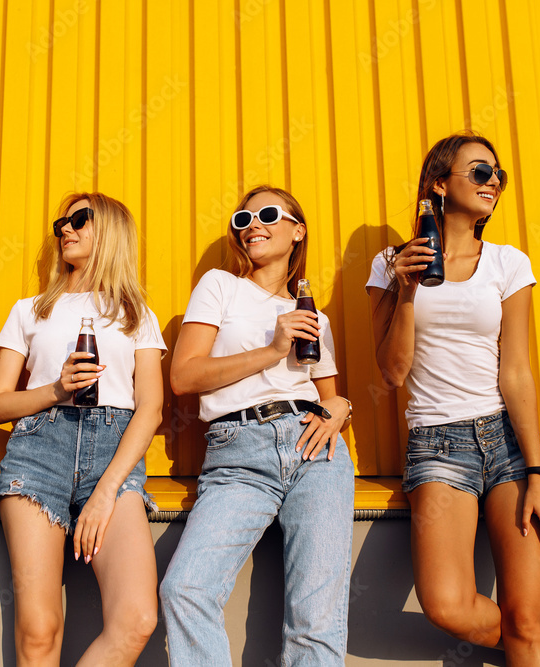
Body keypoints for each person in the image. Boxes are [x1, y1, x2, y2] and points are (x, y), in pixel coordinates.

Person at [366, 131, 540, 665]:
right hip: (437, 445)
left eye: (498, 176)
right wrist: (407, 289)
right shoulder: (389, 264)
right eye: (480, 172)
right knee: (448, 606)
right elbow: (392, 372)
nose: (493, 184)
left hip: (505, 438)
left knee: (526, 617)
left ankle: (531, 632)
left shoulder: (509, 263)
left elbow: (518, 372)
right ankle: (531, 635)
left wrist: (539, 473)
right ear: (440, 183)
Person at [160, 185, 356, 665]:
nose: (253, 225)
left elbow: (331, 399)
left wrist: (344, 405)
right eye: (243, 219)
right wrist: (272, 350)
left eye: (267, 214)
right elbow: (184, 376)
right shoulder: (219, 286)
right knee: (185, 588)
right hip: (238, 451)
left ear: (297, 230)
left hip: (315, 449)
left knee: (316, 617)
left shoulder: (314, 316)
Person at [0, 192, 164, 665]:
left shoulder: (137, 314)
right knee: (39, 630)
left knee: (137, 617)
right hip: (38, 451)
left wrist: (105, 493)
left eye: (80, 220)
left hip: (115, 458)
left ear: (110, 230)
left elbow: (151, 408)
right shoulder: (30, 310)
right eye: (62, 221)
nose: (66, 228)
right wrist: (55, 390)